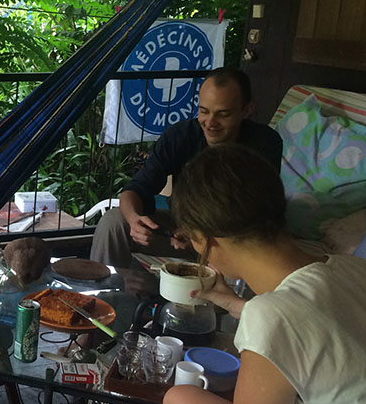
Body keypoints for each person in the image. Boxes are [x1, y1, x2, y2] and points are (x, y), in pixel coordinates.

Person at [163, 144, 366, 404]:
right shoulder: (358, 268)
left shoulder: (269, 317)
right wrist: (239, 306)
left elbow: (286, 322)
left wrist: (255, 315)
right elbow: (326, 332)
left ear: (206, 239)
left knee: (179, 399)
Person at [90, 67, 283, 269]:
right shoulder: (182, 136)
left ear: (246, 110)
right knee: (114, 223)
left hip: (234, 239)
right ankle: (101, 295)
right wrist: (135, 220)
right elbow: (135, 189)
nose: (210, 123)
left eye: (223, 114)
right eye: (203, 111)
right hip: (181, 232)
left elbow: (256, 213)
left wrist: (199, 236)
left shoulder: (264, 143)